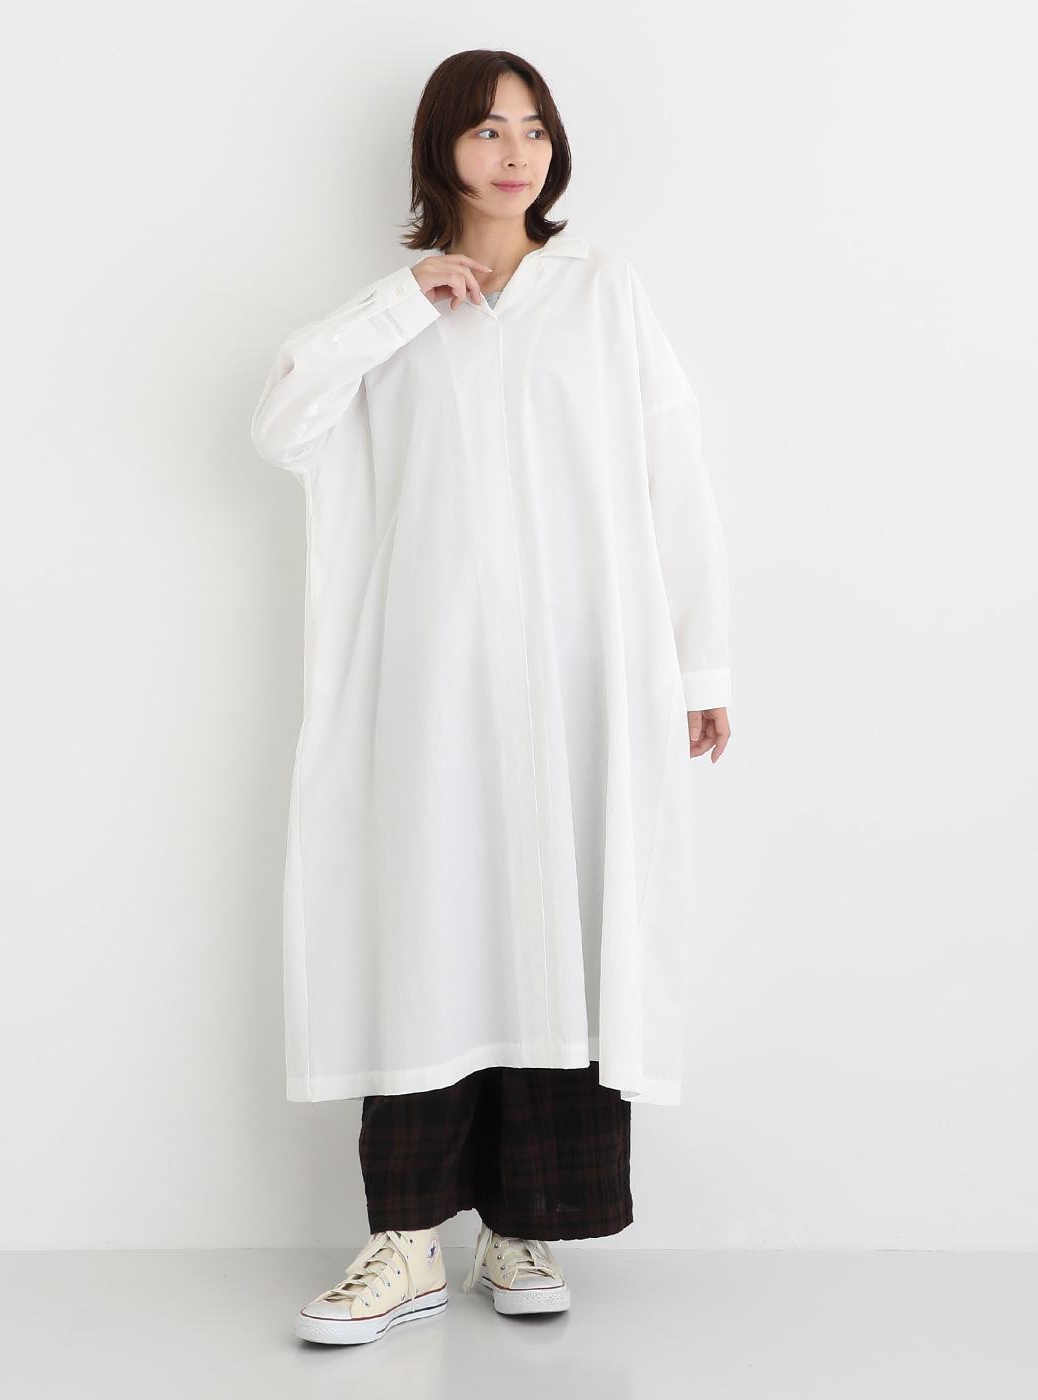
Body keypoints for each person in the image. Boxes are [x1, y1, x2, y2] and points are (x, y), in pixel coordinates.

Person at [249, 49, 733, 1347]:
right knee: (431, 930)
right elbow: (281, 425)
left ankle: (529, 1222)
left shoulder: (603, 292)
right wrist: (396, 307)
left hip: (587, 681)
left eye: (533, 129)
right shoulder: (398, 313)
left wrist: (700, 665)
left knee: (565, 929)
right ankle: (408, 1242)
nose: (514, 153)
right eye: (485, 130)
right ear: (441, 152)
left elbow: (673, 472)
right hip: (433, 689)